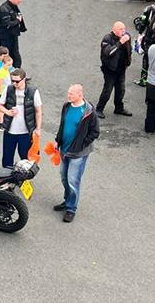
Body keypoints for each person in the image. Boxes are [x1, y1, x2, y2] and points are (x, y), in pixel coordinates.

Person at [53, 84, 99, 223]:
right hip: (64, 150)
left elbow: (95, 132)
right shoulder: (67, 106)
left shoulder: (88, 112)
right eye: (68, 93)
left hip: (78, 153)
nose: (68, 96)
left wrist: (82, 144)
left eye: (71, 94)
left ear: (80, 95)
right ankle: (67, 201)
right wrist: (57, 140)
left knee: (73, 181)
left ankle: (71, 209)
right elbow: (63, 125)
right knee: (64, 177)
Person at [0, 68, 42, 168]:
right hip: (10, 131)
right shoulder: (9, 89)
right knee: (7, 158)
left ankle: (24, 180)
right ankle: (7, 179)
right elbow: (0, 105)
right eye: (12, 81)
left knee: (26, 158)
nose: (14, 83)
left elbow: (38, 111)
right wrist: (8, 112)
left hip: (26, 132)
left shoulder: (33, 91)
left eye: (17, 81)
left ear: (24, 79)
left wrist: (38, 129)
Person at [95, 21, 133, 119]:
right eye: (120, 29)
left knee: (121, 90)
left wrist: (128, 61)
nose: (123, 31)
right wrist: (120, 43)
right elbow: (109, 52)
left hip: (121, 68)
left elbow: (129, 50)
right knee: (107, 90)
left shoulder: (126, 37)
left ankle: (119, 108)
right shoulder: (107, 38)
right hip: (110, 70)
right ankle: (99, 109)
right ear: (114, 30)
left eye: (124, 29)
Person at [0, 0, 26, 68]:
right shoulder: (4, 9)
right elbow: (7, 24)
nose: (20, 1)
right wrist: (18, 20)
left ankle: (18, 73)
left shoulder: (13, 5)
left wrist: (22, 27)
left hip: (13, 35)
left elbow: (18, 15)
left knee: (15, 55)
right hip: (5, 37)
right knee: (4, 56)